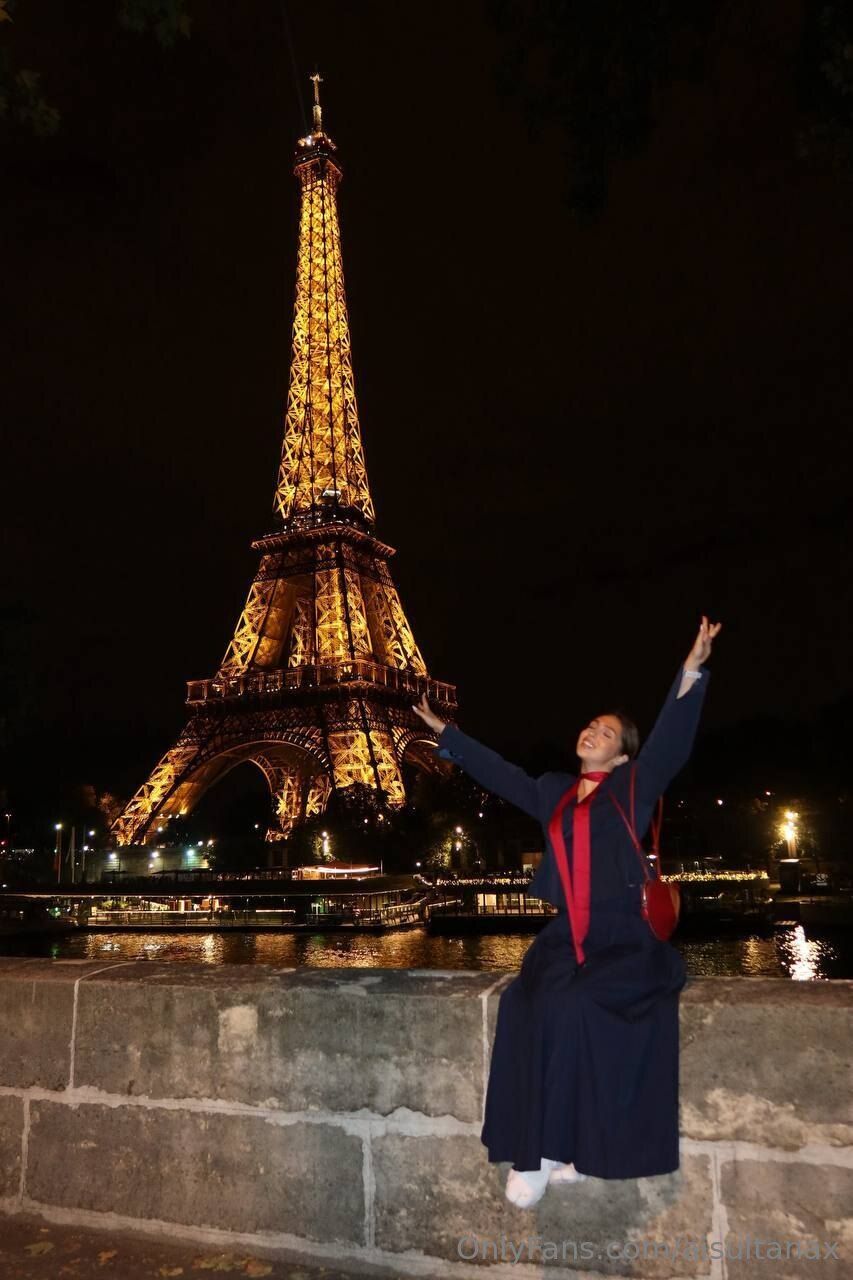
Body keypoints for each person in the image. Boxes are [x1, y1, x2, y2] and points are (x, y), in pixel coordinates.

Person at [412, 616, 722, 1208]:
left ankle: (556, 1150)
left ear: (623, 756)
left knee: (575, 1004)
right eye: (590, 725)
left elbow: (670, 744)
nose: (592, 732)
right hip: (566, 936)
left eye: (607, 732)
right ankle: (543, 1149)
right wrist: (447, 733)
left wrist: (691, 671)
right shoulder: (554, 790)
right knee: (521, 1004)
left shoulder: (632, 789)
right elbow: (502, 775)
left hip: (622, 935)